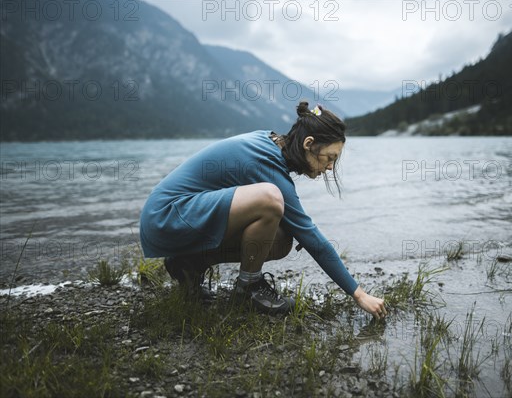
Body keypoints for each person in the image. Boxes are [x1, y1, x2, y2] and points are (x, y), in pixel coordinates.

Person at [139, 101, 387, 319]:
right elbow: (312, 237)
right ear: (309, 143)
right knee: (270, 199)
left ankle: (188, 262)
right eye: (329, 157)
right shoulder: (266, 161)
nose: (331, 167)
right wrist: (358, 294)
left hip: (179, 216)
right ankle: (249, 289)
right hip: (166, 216)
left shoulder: (271, 145)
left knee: (280, 240)